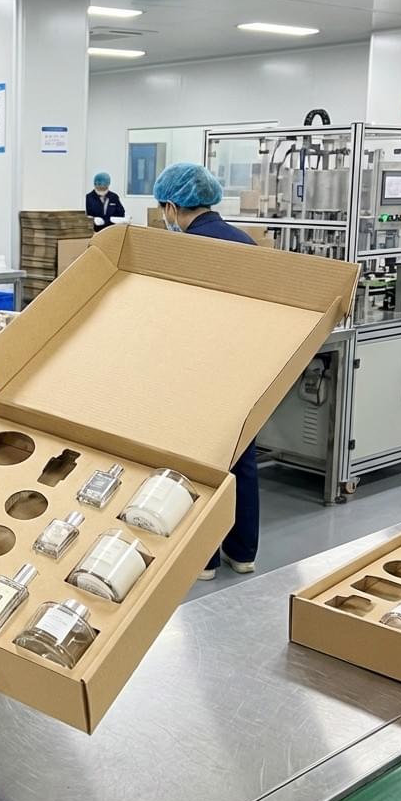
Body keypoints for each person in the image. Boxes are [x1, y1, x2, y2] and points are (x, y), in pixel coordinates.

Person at [152, 162, 259, 581]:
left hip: (196, 371)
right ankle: (243, 551)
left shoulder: (183, 249)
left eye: (165, 208)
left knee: (199, 464)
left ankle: (206, 559)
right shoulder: (245, 243)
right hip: (246, 369)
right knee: (241, 457)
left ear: (173, 205)